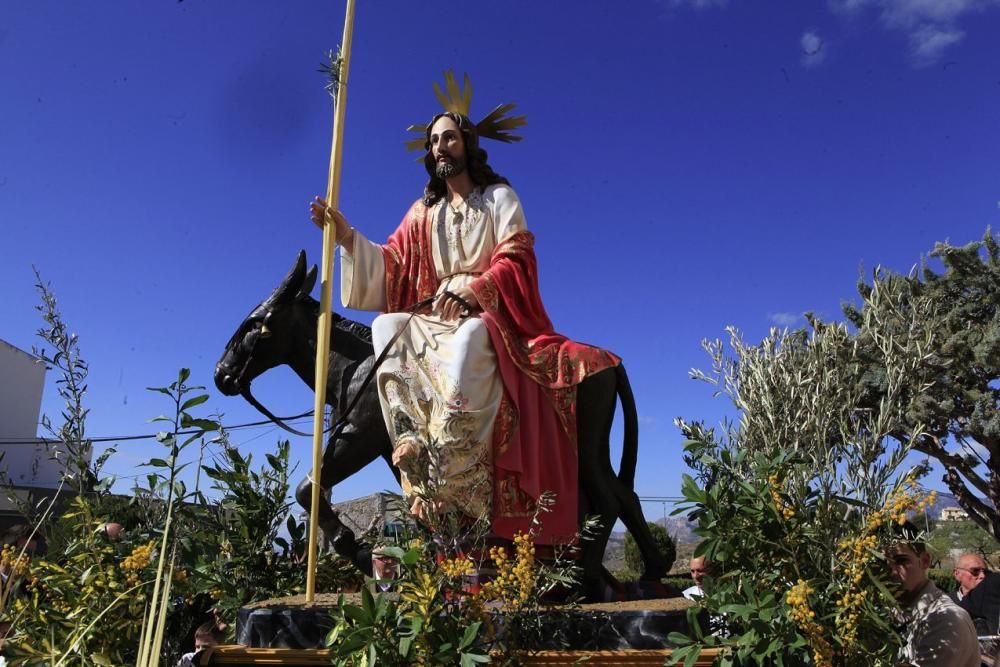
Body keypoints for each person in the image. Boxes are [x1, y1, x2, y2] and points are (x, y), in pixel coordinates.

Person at [310, 108, 618, 542]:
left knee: (473, 334)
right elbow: (392, 265)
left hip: (489, 312)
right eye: (434, 141)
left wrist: (475, 292)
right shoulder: (423, 213)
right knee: (387, 326)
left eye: (449, 138)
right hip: (437, 314)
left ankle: (449, 451)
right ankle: (411, 438)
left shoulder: (499, 199)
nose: (440, 148)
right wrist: (345, 236)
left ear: (468, 145)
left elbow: (517, 257)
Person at [887, 525, 979, 666]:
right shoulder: (890, 613)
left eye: (901, 561)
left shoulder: (946, 621)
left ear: (924, 561)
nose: (891, 571)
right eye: (880, 562)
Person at [952, 553, 1000, 636]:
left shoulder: (994, 599)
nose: (982, 576)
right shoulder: (946, 605)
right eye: (975, 571)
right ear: (957, 574)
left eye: (986, 572)